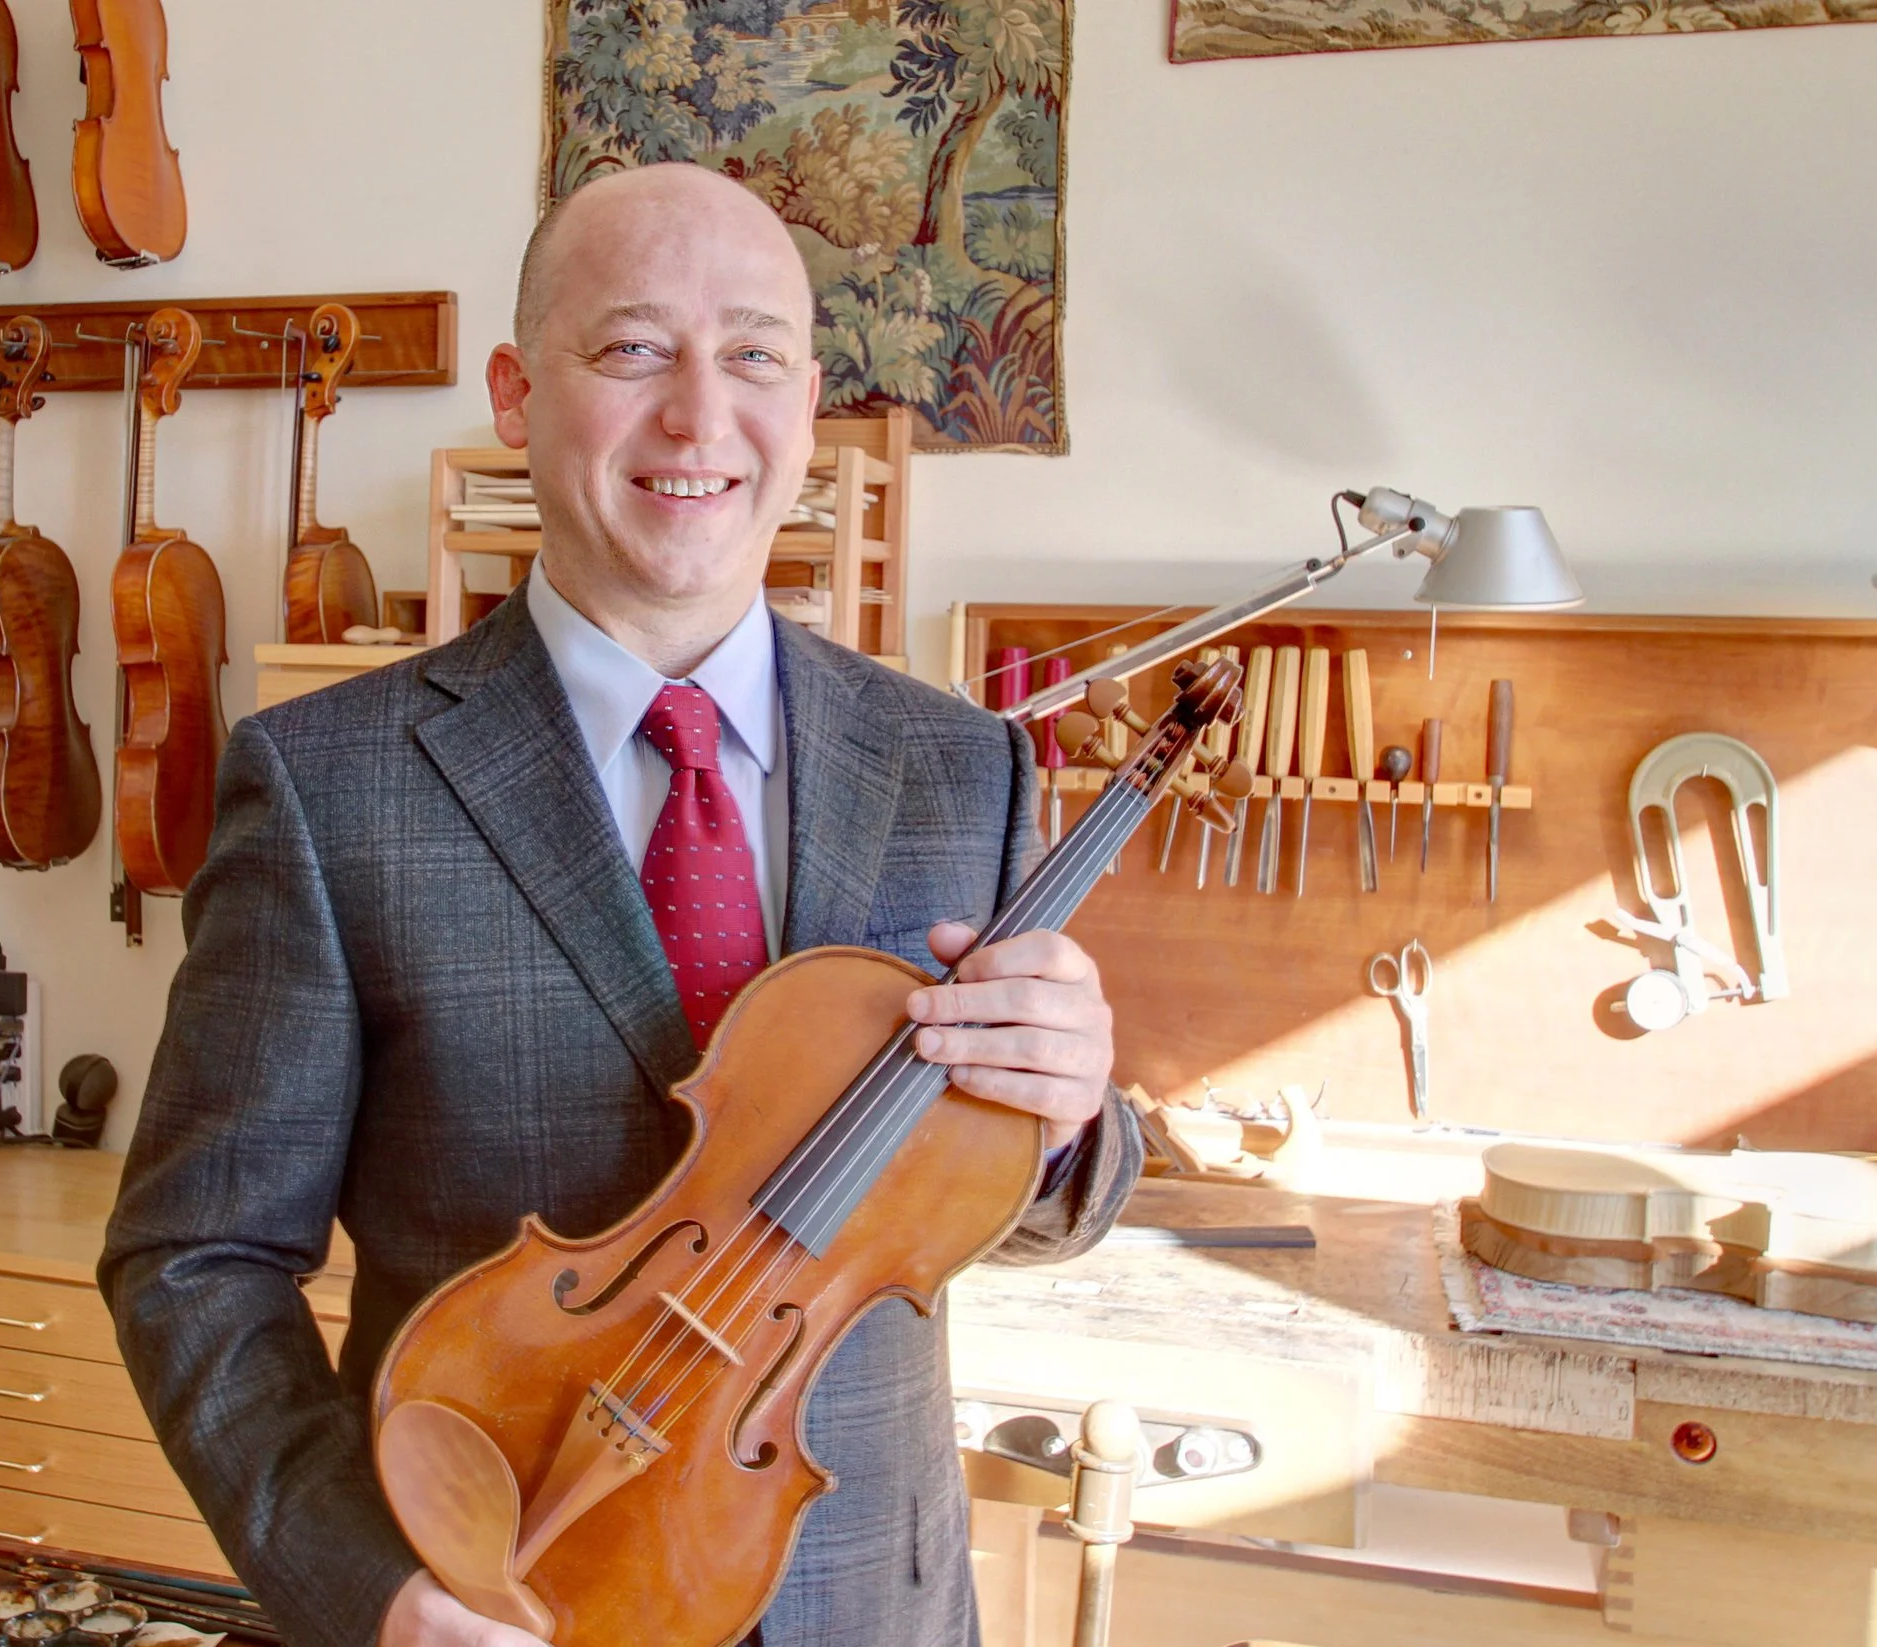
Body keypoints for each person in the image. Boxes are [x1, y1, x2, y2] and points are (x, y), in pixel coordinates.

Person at [100, 162, 1137, 1647]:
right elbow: (193, 1259)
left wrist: (1080, 1108)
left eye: (754, 356)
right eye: (635, 348)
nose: (700, 419)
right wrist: (374, 1593)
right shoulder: (326, 784)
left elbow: (1005, 1206)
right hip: (501, 1583)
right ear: (518, 393)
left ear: (810, 397)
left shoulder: (961, 767)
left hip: (874, 1608)